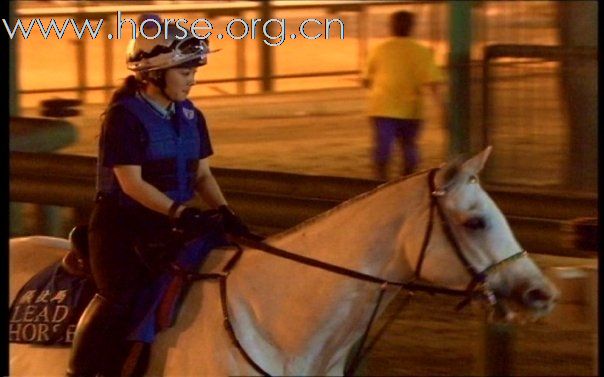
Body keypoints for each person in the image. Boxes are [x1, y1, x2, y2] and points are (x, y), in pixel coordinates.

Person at [66, 18, 251, 377]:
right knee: (121, 297)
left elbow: (202, 174)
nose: (192, 79)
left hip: (171, 222)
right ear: (154, 73)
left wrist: (225, 212)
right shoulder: (123, 118)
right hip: (122, 227)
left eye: (193, 71)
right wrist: (179, 212)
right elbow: (131, 184)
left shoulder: (192, 115)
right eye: (184, 71)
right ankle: (82, 369)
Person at [364, 10, 447, 180]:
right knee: (409, 147)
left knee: (383, 149)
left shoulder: (379, 49)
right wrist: (443, 109)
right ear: (412, 28)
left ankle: (380, 183)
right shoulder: (422, 51)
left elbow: (367, 80)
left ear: (391, 27)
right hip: (411, 110)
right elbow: (434, 83)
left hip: (382, 108)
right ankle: (406, 181)